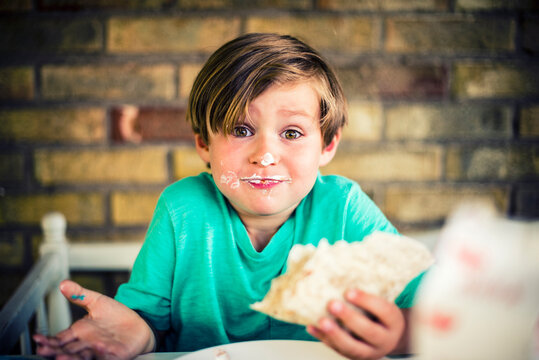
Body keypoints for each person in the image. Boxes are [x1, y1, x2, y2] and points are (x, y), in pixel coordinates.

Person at [34, 33, 425, 360]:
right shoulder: (182, 209)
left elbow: (441, 308)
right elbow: (144, 325)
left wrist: (399, 333)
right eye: (241, 130)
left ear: (327, 145)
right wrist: (138, 333)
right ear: (204, 143)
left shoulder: (343, 208)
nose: (265, 154)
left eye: (291, 133)